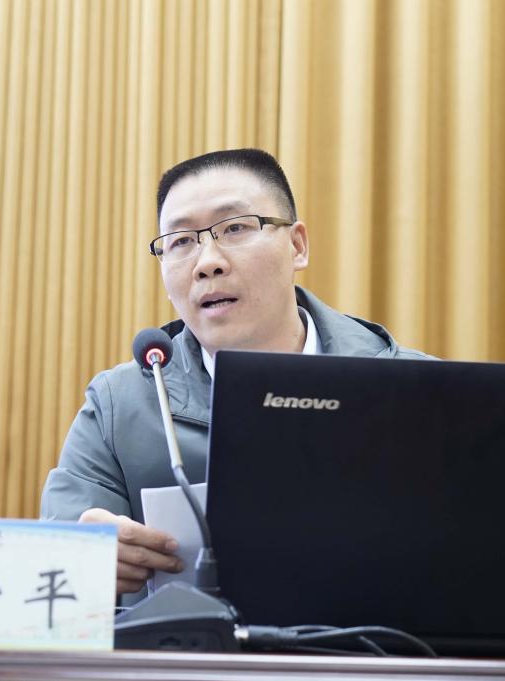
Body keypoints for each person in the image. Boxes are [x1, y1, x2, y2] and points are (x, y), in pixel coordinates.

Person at [40, 148, 431, 595]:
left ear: (297, 246)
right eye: (181, 242)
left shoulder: (416, 392)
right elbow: (51, 567)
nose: (207, 262)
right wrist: (80, 558)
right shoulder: (120, 406)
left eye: (235, 228)